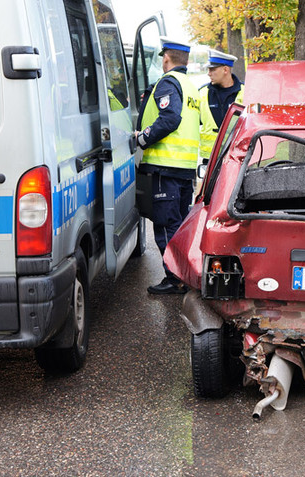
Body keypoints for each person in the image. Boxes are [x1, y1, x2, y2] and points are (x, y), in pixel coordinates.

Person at [136, 37, 201, 295]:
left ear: (166, 59)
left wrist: (143, 137)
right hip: (185, 168)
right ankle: (183, 274)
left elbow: (170, 118)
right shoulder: (192, 87)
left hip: (166, 166)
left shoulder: (167, 82)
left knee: (165, 224)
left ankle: (175, 279)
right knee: (179, 224)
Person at [198, 50, 245, 160]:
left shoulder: (246, 92)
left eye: (212, 69)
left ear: (225, 69)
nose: (209, 73)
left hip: (237, 158)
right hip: (209, 161)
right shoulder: (202, 93)